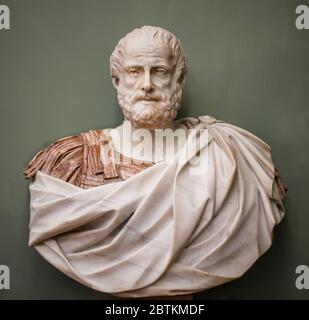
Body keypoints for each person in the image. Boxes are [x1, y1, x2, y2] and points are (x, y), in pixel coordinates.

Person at [24, 26, 287, 298]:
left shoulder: (228, 153)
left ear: (179, 79)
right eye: (134, 72)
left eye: (159, 71)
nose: (147, 84)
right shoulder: (71, 162)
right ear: (117, 79)